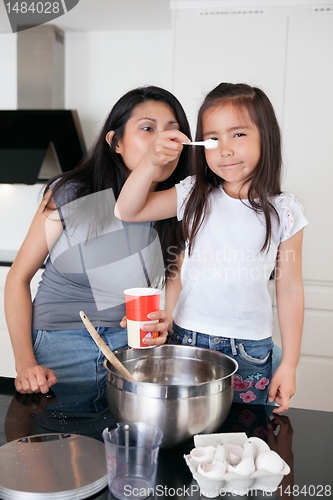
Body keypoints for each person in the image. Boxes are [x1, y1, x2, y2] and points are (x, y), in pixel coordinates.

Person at [115, 82, 308, 413]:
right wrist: (150, 160)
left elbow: (290, 288)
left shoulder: (285, 211)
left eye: (238, 135)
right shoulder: (193, 194)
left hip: (250, 349)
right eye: (213, 139)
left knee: (242, 439)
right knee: (185, 432)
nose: (225, 150)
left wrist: (289, 364)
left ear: (267, 137)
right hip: (186, 340)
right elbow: (127, 210)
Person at [4, 86, 192, 407]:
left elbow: (173, 294)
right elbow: (17, 279)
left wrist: (165, 324)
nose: (163, 141)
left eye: (173, 132)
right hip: (58, 346)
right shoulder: (71, 193)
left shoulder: (179, 206)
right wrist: (25, 363)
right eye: (147, 128)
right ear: (116, 142)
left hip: (132, 352)